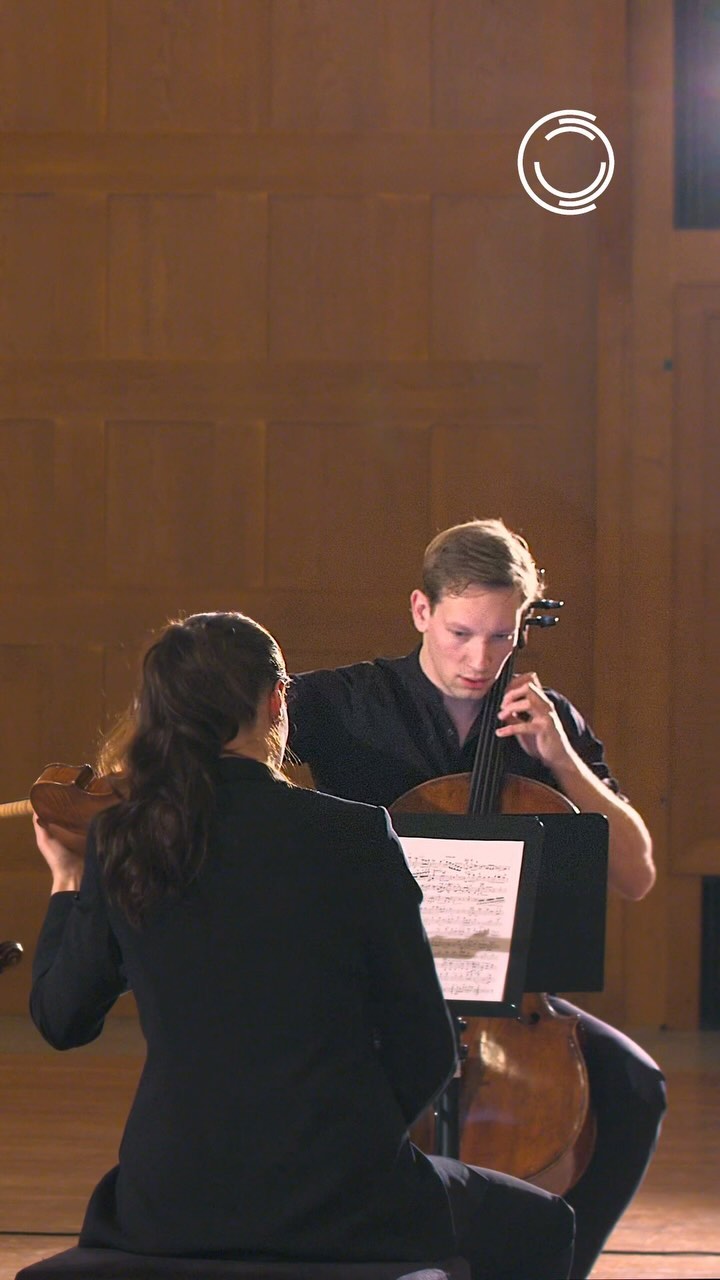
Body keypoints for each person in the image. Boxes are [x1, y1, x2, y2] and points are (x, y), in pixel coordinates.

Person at [30, 611, 574, 1280]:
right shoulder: (353, 835)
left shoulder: (125, 838)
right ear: (276, 701)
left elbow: (61, 1018)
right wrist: (353, 1149)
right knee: (545, 1223)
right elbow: (427, 1046)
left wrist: (66, 881)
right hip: (342, 1194)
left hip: (170, 1197)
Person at [288, 519, 668, 1280]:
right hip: (374, 992)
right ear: (421, 611)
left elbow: (637, 875)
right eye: (462, 632)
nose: (479, 659)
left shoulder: (546, 722)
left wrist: (560, 759)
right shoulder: (338, 704)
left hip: (507, 998)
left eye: (502, 638)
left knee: (632, 1088)